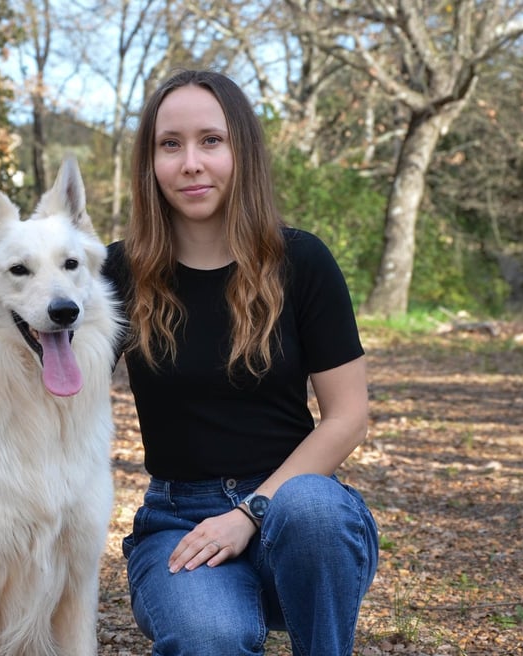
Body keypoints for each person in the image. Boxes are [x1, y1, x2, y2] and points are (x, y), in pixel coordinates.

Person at [102, 69, 379, 656]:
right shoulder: (118, 274)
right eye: (169, 144)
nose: (190, 163)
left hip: (295, 519)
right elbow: (39, 369)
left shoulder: (300, 261)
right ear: (149, 163)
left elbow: (347, 416)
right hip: (182, 520)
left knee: (310, 507)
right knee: (209, 637)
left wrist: (251, 513)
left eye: (211, 140)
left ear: (242, 151)